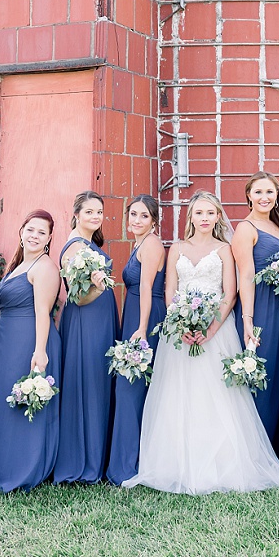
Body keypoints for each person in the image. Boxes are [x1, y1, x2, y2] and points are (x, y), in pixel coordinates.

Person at [124, 191, 279, 494]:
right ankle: (175, 464)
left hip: (218, 330)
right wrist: (181, 324)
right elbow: (171, 291)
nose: (204, 218)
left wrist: (210, 330)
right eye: (198, 213)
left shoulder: (225, 249)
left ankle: (223, 465)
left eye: (210, 213)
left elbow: (230, 293)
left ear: (218, 217)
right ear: (191, 217)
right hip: (179, 333)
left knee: (217, 397)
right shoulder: (176, 248)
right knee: (179, 395)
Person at [0, 210, 62, 492]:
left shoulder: (44, 267)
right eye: (30, 229)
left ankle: (23, 468)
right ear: (21, 231)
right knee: (6, 402)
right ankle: (2, 465)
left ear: (49, 239)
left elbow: (44, 313)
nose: (34, 236)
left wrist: (39, 352)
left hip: (29, 342)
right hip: (6, 342)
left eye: (41, 232)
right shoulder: (17, 265)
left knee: (25, 400)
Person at [54, 191, 118, 484]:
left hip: (100, 320)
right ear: (76, 213)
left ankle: (98, 455)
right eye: (89, 211)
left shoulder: (90, 244)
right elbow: (77, 298)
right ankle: (85, 459)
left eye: (99, 212)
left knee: (99, 382)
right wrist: (100, 288)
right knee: (89, 383)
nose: (95, 217)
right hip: (86, 322)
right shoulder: (75, 248)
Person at [231, 172, 279, 457]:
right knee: (259, 377)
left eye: (269, 192)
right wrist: (248, 319)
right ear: (249, 196)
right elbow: (245, 275)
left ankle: (277, 451)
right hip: (259, 311)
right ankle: (253, 455)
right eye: (258, 192)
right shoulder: (245, 228)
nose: (264, 198)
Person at [107, 194, 167, 486]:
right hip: (135, 313)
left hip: (146, 316)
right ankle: (129, 460)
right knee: (130, 387)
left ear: (154, 220)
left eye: (144, 216)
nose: (137, 220)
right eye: (133, 214)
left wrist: (142, 328)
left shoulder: (153, 244)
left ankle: (128, 466)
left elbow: (146, 287)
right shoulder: (140, 244)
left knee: (130, 387)